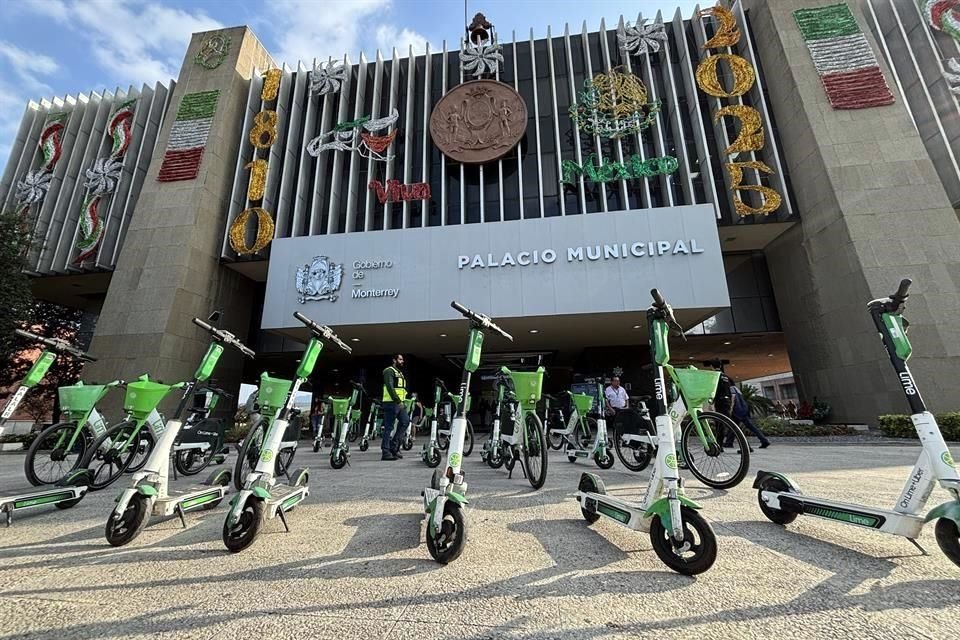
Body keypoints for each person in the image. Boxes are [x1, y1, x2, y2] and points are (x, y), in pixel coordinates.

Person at [381, 354, 409, 461]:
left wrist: (402, 401)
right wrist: (397, 400)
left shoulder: (399, 372)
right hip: (391, 402)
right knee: (389, 427)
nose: (402, 361)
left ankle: (394, 447)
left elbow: (400, 389)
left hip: (399, 403)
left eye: (402, 359)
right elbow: (389, 386)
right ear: (394, 360)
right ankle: (386, 451)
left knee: (405, 422)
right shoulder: (389, 371)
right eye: (400, 359)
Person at [725, 384, 770, 449]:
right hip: (744, 409)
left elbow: (733, 398)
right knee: (752, 427)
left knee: (734, 427)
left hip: (737, 411)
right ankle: (764, 440)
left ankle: (741, 445)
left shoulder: (731, 388)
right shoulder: (737, 389)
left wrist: (730, 409)